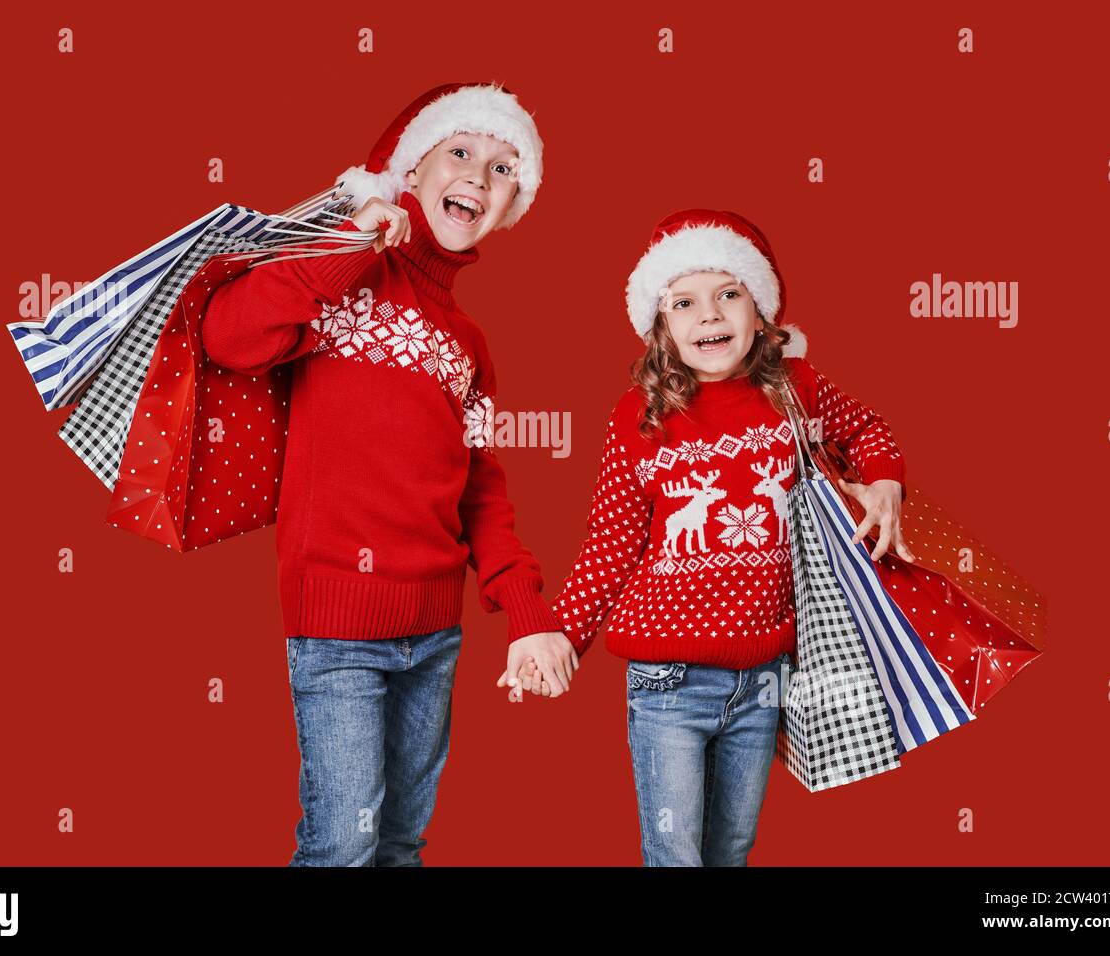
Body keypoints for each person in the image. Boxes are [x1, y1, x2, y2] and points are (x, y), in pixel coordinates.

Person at [200, 82, 576, 866]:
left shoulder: (468, 343)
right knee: (343, 845)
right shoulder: (344, 278)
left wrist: (527, 612)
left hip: (435, 633)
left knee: (400, 844)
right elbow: (228, 336)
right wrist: (346, 243)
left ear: (512, 208)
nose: (480, 174)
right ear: (412, 166)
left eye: (505, 168)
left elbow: (480, 485)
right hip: (338, 625)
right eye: (462, 152)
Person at [521, 208, 912, 865]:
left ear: (758, 313)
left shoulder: (796, 391)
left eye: (728, 294)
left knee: (730, 848)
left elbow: (869, 429)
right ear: (661, 327)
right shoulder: (638, 417)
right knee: (675, 851)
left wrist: (884, 481)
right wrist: (564, 633)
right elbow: (611, 540)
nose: (710, 315)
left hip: (763, 673)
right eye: (685, 302)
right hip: (668, 681)